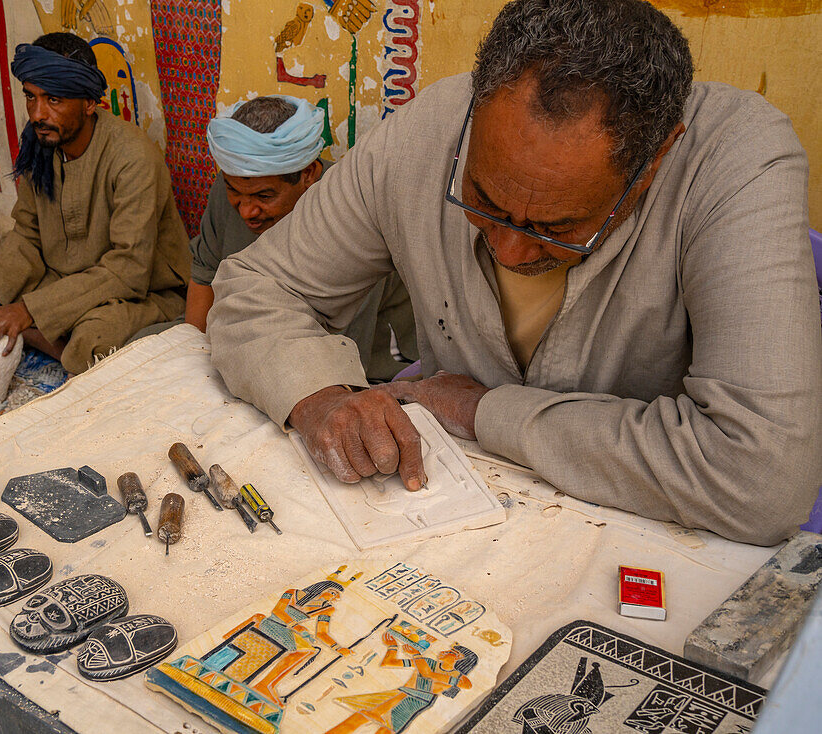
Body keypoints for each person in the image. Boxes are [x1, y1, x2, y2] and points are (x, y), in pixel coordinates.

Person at [207, 0, 822, 545]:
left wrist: (487, 412)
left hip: (647, 534)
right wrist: (316, 398)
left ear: (657, 159)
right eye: (483, 201)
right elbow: (258, 287)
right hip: (450, 518)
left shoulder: (736, 161)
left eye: (556, 227)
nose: (509, 251)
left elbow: (762, 476)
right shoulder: (429, 130)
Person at [0, 32, 189, 374]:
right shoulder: (42, 142)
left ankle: (35, 335)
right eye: (31, 98)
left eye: (54, 100)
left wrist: (26, 311)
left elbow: (128, 270)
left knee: (93, 343)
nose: (38, 114)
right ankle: (42, 334)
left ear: (90, 103)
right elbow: (27, 234)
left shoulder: (132, 158)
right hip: (56, 280)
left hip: (134, 291)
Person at [186, 95, 417, 381]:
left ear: (307, 173)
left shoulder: (352, 211)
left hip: (352, 361)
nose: (247, 210)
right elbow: (204, 277)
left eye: (264, 196)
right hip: (239, 339)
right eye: (235, 191)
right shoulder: (230, 189)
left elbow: (344, 350)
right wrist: (192, 364)